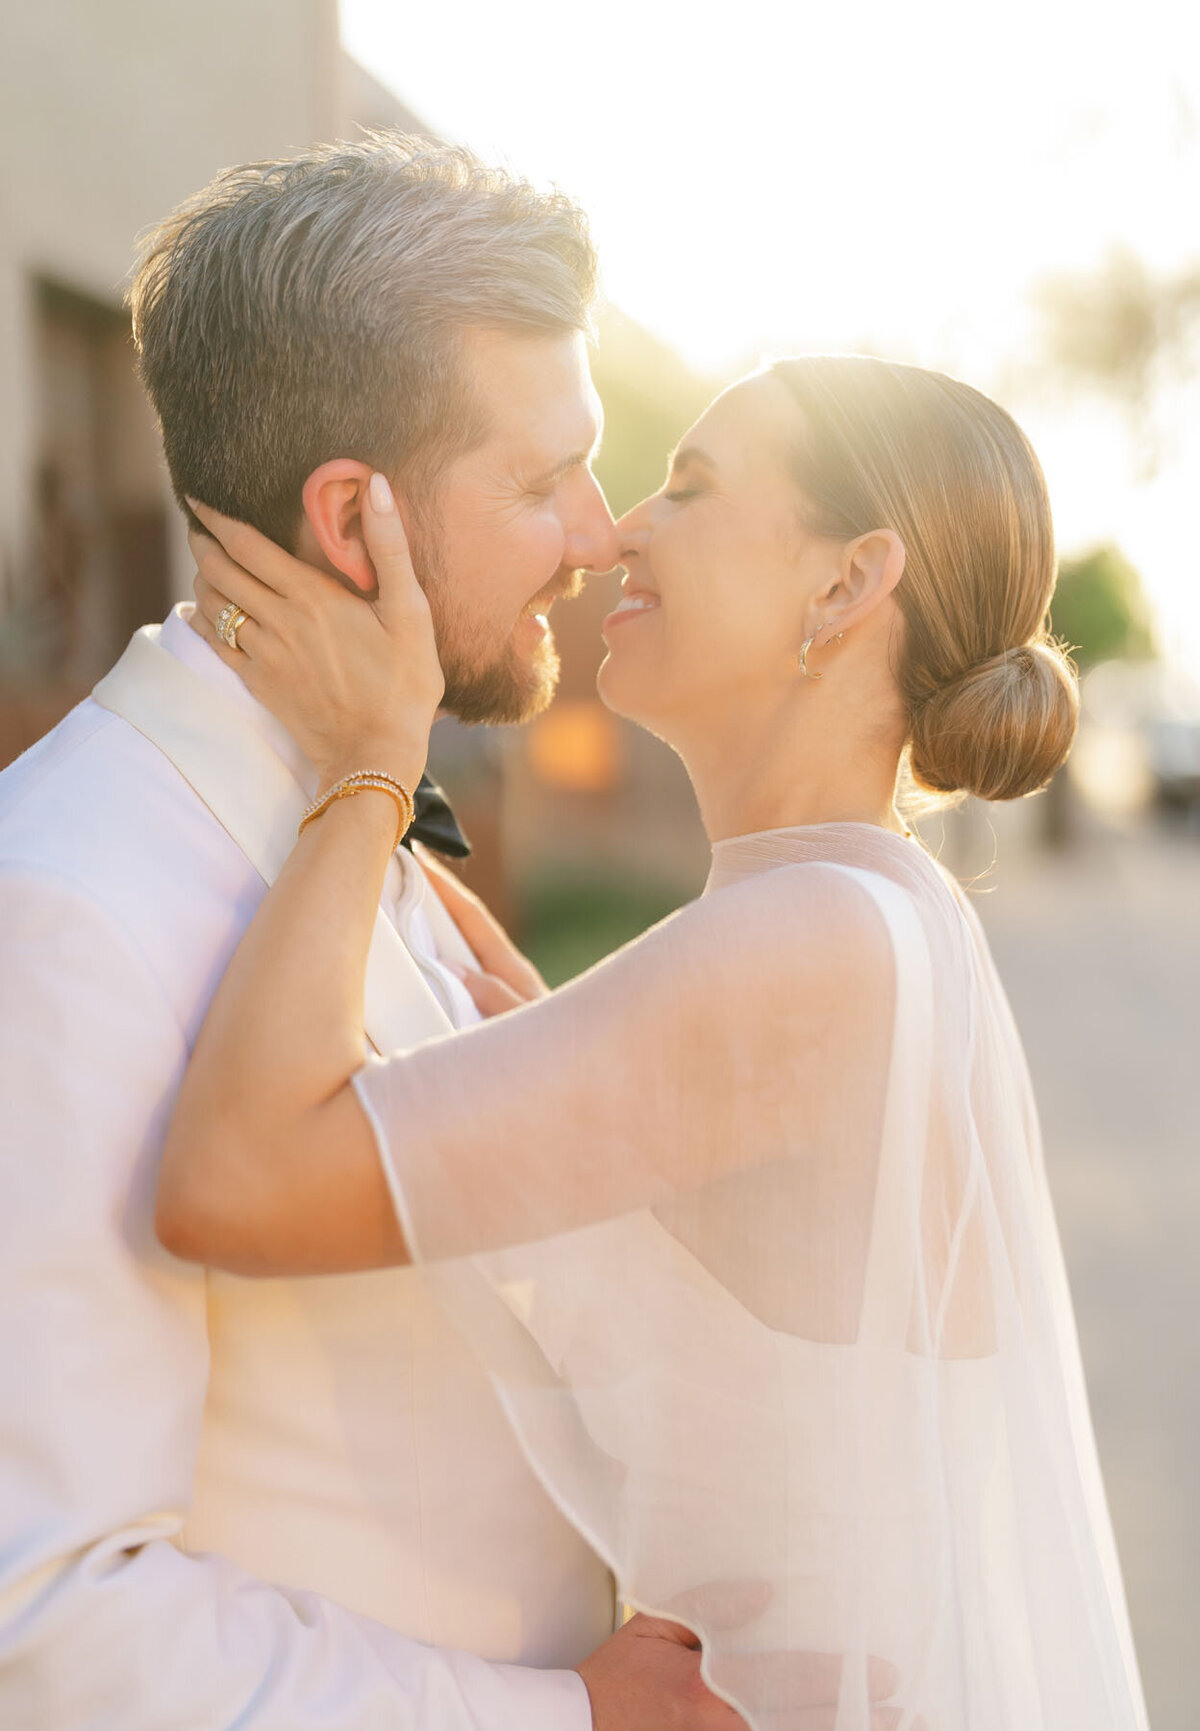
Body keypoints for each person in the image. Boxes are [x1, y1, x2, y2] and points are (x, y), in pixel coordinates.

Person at [157, 354, 1150, 1731]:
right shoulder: (861, 914)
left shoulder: (804, 948)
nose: (622, 526)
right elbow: (509, 1036)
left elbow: (236, 1178)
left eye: (691, 488)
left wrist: (372, 762)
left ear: (847, 585)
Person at [0, 134, 777, 1731]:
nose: (596, 529)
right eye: (538, 478)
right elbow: (48, 1623)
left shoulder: (374, 826)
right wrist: (576, 1720)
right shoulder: (62, 907)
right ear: (356, 523)